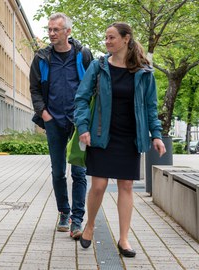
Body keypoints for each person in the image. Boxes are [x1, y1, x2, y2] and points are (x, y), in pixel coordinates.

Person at [75, 22, 166, 257]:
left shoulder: (144, 72)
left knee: (126, 186)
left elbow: (150, 107)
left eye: (112, 37)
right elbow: (81, 98)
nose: (107, 41)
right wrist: (83, 126)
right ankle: (91, 224)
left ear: (126, 39)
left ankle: (124, 238)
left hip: (129, 136)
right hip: (101, 134)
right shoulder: (98, 66)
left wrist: (156, 135)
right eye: (106, 37)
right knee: (99, 186)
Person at [29, 13, 93, 239]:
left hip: (78, 123)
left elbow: (92, 85)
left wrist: (87, 117)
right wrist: (43, 113)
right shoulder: (41, 58)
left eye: (56, 30)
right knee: (58, 172)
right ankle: (63, 213)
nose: (51, 34)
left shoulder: (83, 55)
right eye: (49, 30)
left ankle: (77, 219)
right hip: (53, 121)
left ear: (68, 31)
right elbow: (35, 89)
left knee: (79, 171)